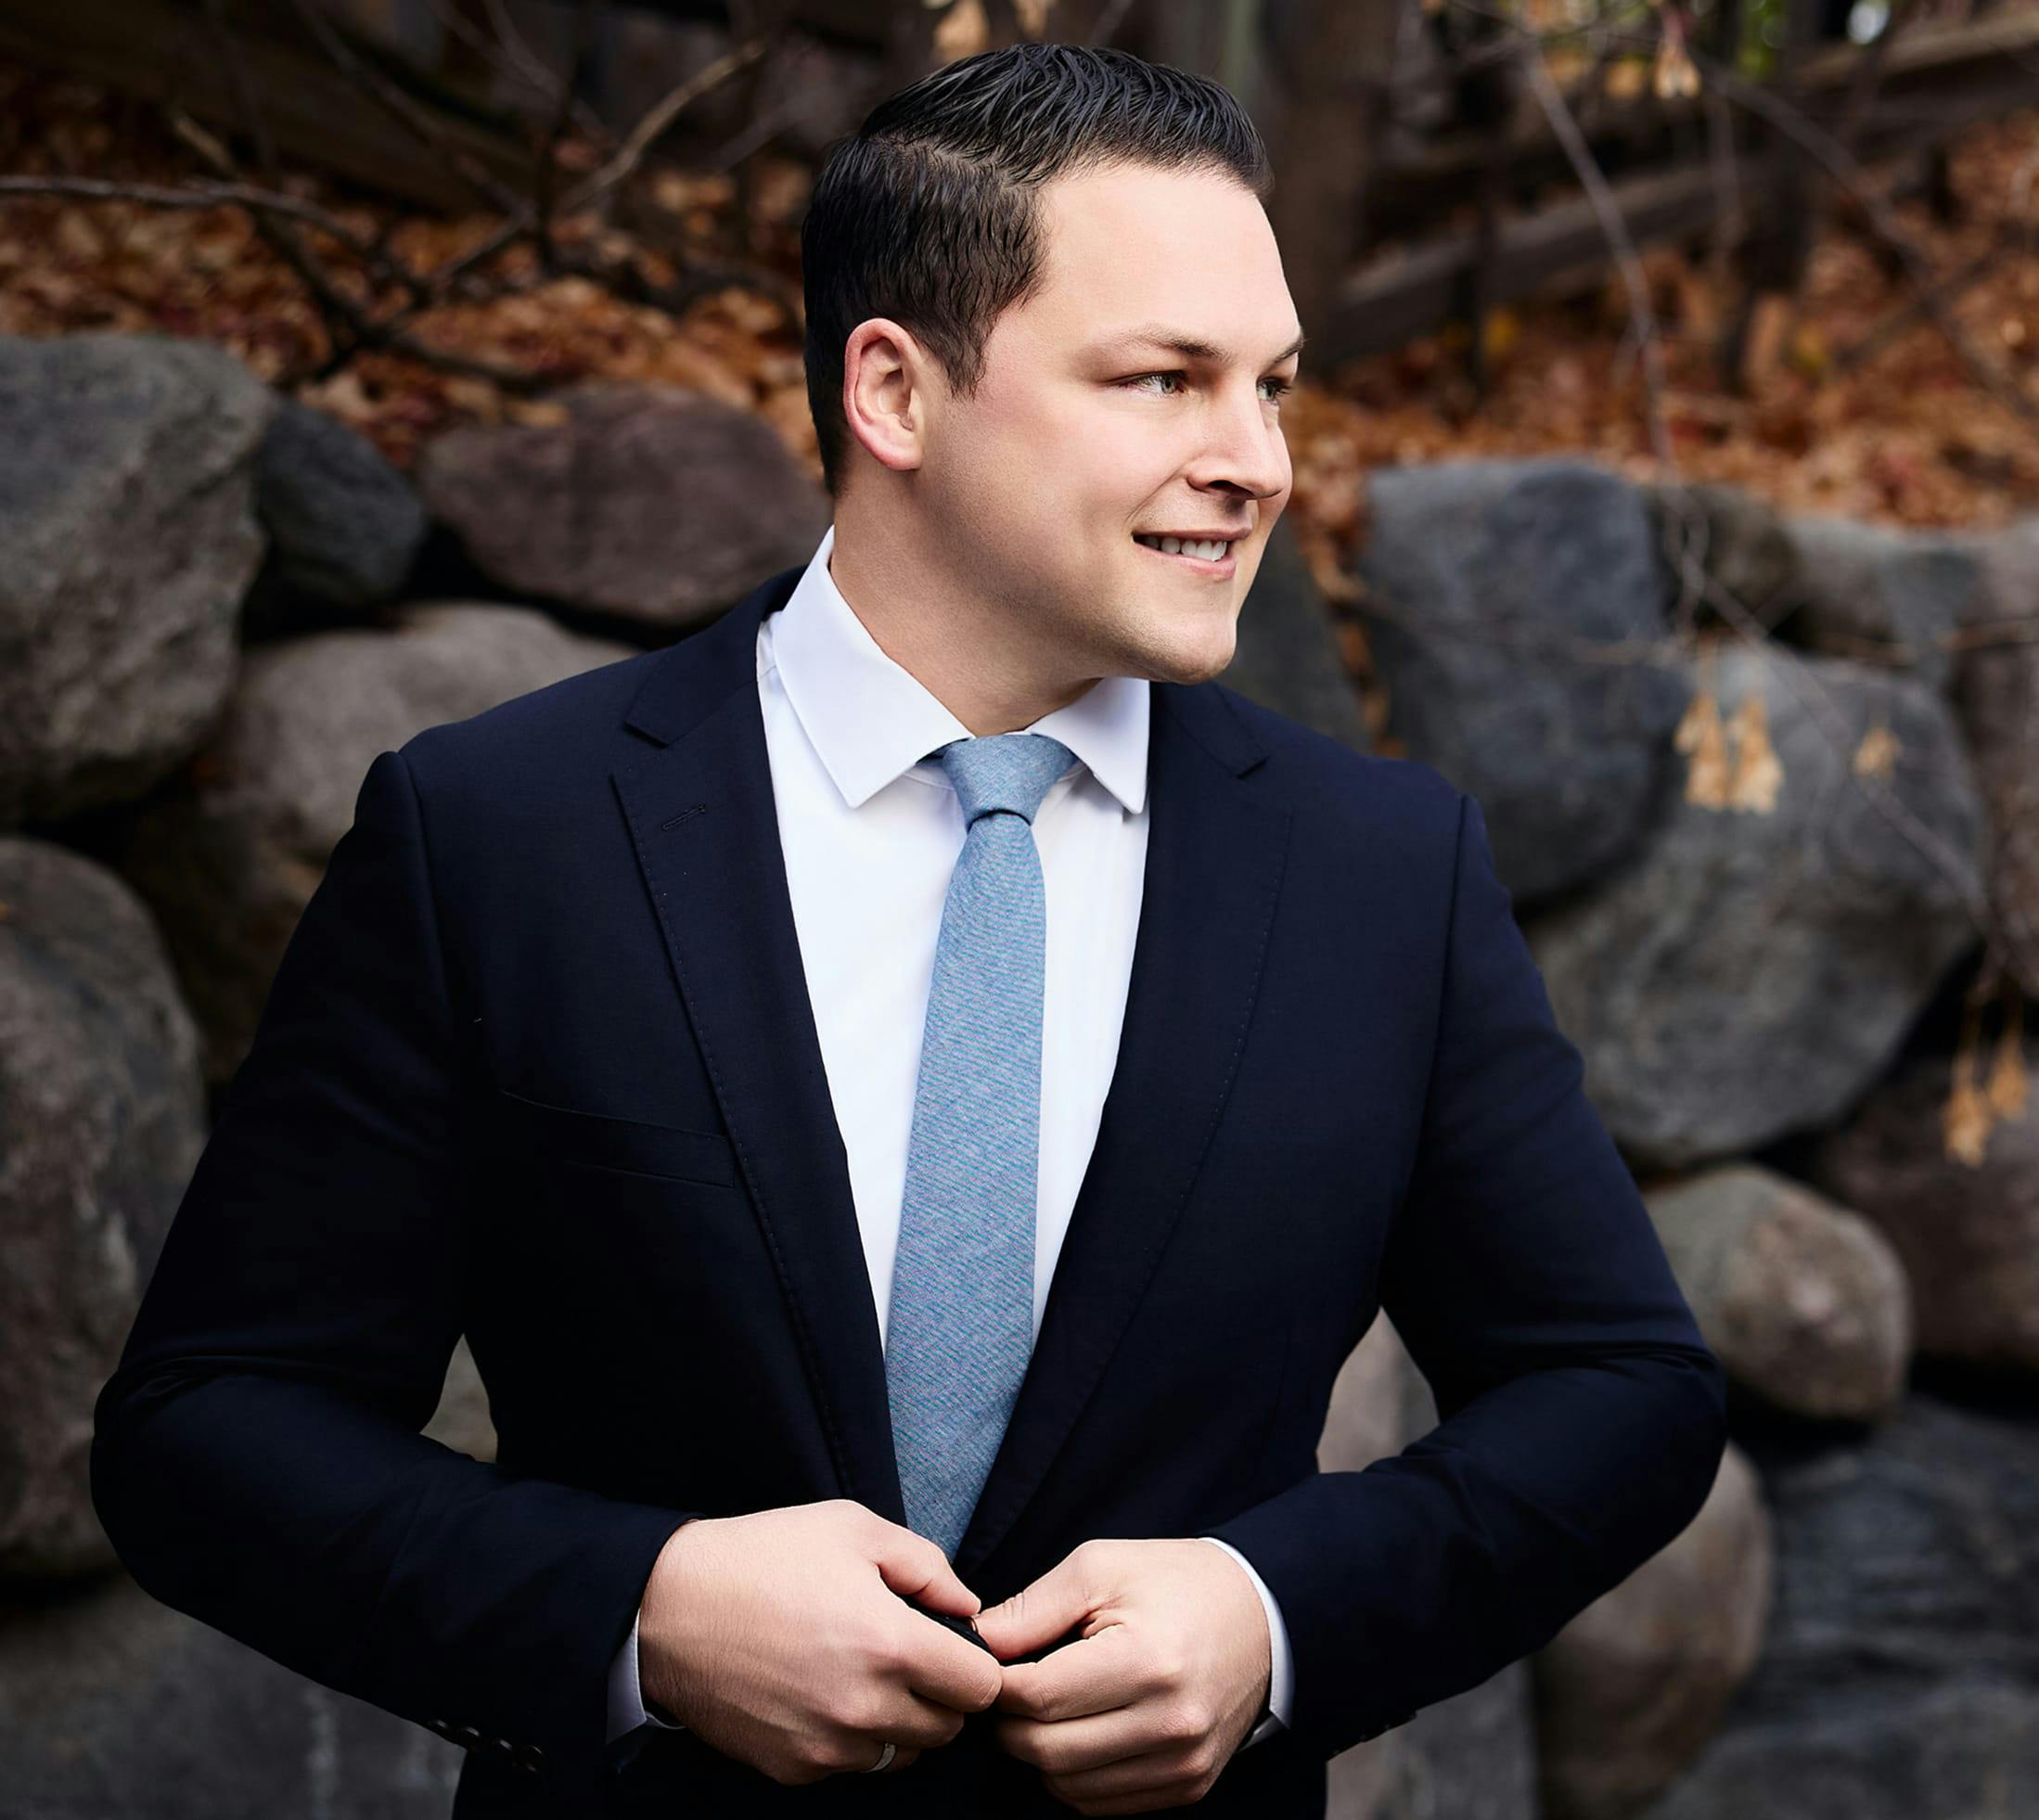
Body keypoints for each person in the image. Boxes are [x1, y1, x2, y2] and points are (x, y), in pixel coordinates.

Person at [90, 42, 1728, 1820]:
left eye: (1271, 387)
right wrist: (635, 1608)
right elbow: (210, 1428)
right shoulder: (503, 832)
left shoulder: (1379, 872)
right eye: (1163, 378)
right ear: (893, 389)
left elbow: (1617, 1387)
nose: (1254, 461)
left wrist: (1273, 1614)